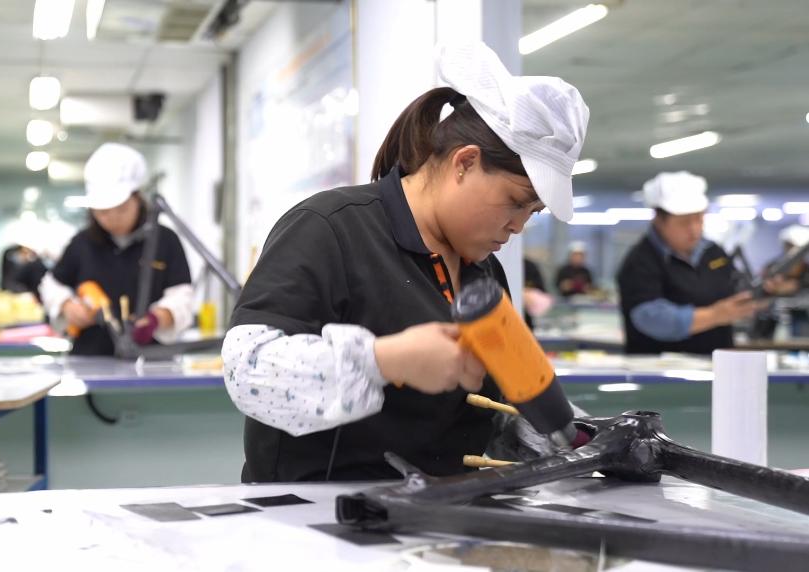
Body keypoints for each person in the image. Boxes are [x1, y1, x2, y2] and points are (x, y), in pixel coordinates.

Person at [221, 42, 589, 482]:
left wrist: (570, 437)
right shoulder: (330, 229)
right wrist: (385, 360)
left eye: (533, 213)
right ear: (465, 163)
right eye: (515, 202)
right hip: (316, 512)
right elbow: (247, 370)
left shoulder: (481, 274)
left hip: (438, 512)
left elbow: (484, 412)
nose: (518, 226)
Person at [38, 143, 193, 356]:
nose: (111, 219)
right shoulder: (82, 243)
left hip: (152, 358)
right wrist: (66, 306)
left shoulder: (165, 240)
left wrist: (158, 318)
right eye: (102, 212)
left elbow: (182, 295)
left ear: (137, 198)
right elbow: (51, 284)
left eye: (121, 209)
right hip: (90, 358)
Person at [616, 172, 766, 355]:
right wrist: (715, 315)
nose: (694, 229)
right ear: (659, 220)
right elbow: (651, 318)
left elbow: (736, 287)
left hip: (715, 362)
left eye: (699, 219)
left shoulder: (713, 252)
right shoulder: (641, 261)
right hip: (659, 366)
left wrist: (765, 291)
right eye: (684, 222)